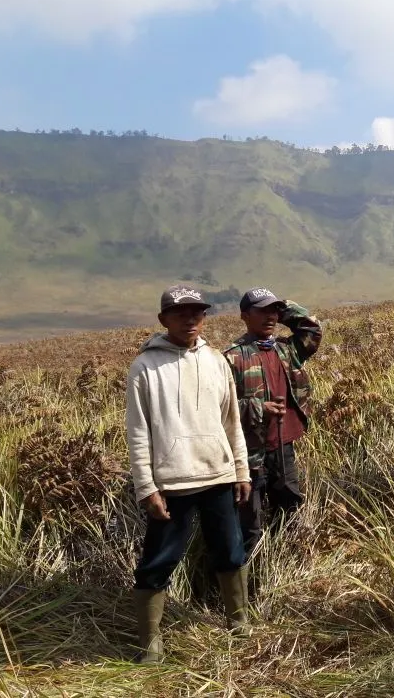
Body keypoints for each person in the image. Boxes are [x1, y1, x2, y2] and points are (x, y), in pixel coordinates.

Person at [126, 285, 252, 665]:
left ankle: (239, 623)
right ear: (163, 319)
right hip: (173, 483)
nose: (190, 319)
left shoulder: (216, 361)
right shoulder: (144, 367)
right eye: (180, 313)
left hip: (218, 475)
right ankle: (151, 644)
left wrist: (241, 470)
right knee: (158, 562)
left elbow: (232, 422)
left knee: (230, 552)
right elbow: (137, 432)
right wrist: (146, 488)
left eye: (197, 312)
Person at [223, 288, 322, 559]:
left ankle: (285, 565)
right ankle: (251, 573)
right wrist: (258, 408)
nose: (270, 317)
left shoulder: (287, 349)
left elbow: (312, 329)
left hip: (283, 445)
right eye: (262, 311)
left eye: (273, 311)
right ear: (245, 316)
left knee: (289, 508)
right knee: (249, 522)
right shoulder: (231, 358)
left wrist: (284, 307)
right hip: (248, 454)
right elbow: (219, 409)